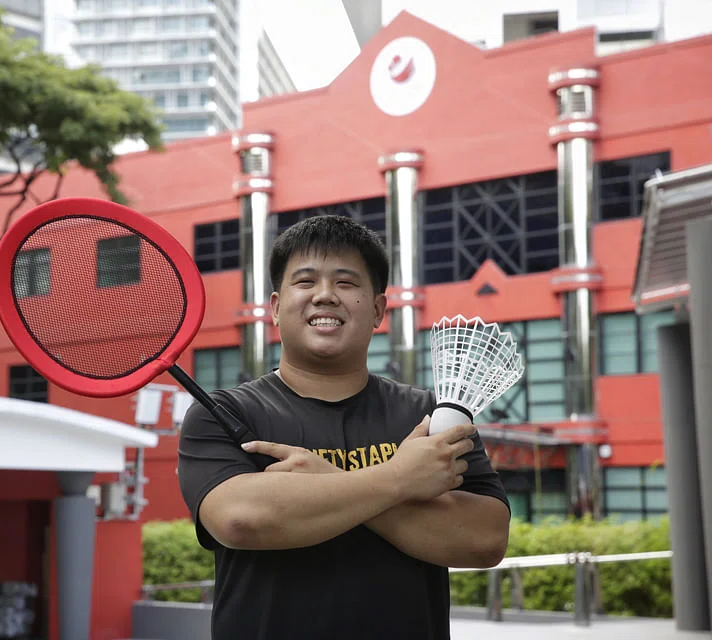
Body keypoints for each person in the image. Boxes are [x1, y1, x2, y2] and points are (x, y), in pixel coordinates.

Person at [177, 215, 511, 640]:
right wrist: (398, 478)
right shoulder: (224, 413)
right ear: (276, 308)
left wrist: (324, 482)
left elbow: (485, 540)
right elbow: (240, 519)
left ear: (377, 310)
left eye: (345, 282)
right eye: (305, 281)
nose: (325, 295)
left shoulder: (430, 415)